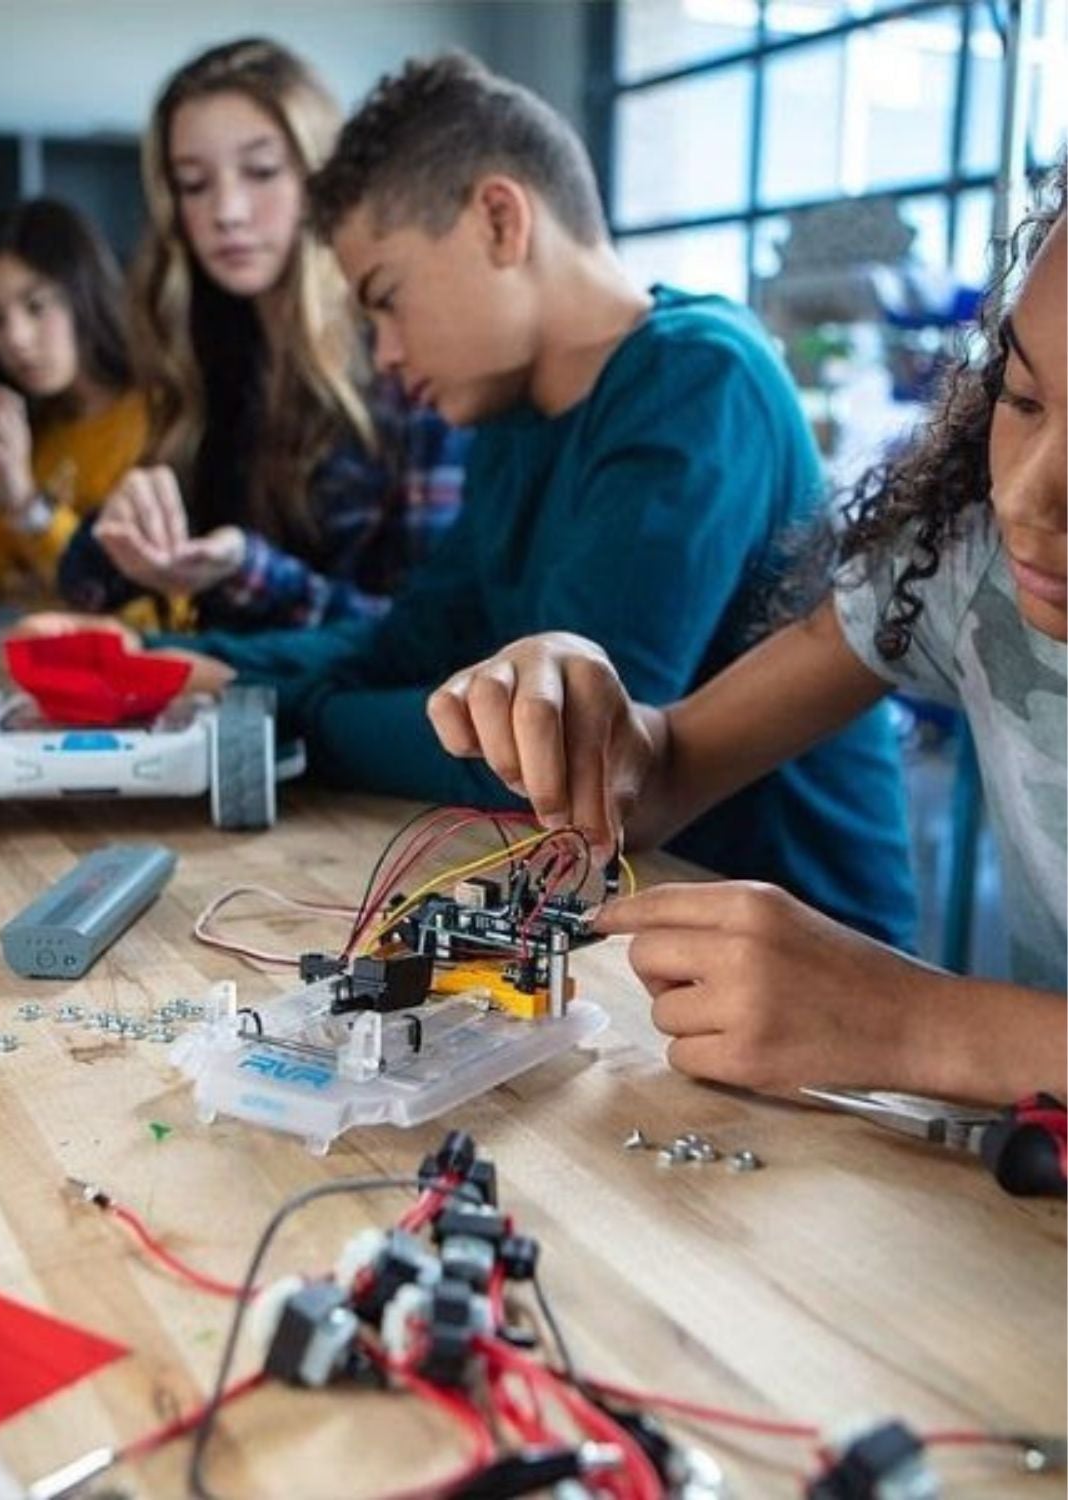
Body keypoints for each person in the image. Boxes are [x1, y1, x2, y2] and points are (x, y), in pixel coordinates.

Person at [80, 51, 916, 946]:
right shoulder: (514, 418)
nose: (388, 353)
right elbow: (405, 644)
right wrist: (169, 658)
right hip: (640, 925)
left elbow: (556, 766)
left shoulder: (699, 380)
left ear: (498, 220)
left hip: (805, 957)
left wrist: (271, 711)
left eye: (387, 300)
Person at [428, 163, 1067, 1103]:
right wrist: (588, 718)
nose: (1026, 494)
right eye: (1023, 399)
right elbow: (672, 764)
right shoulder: (967, 569)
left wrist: (914, 1020)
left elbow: (923, 1029)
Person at [49, 38, 468, 630]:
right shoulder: (199, 354)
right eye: (193, 183)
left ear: (322, 178)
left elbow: (429, 638)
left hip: (346, 718)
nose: (228, 211)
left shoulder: (407, 359)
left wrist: (249, 573)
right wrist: (120, 533)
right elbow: (83, 584)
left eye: (261, 171)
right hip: (219, 709)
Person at [0, 197, 150, 604]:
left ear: (85, 292)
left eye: (36, 307)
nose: (14, 339)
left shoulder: (155, 421)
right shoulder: (46, 426)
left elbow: (132, 598)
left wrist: (26, 503)